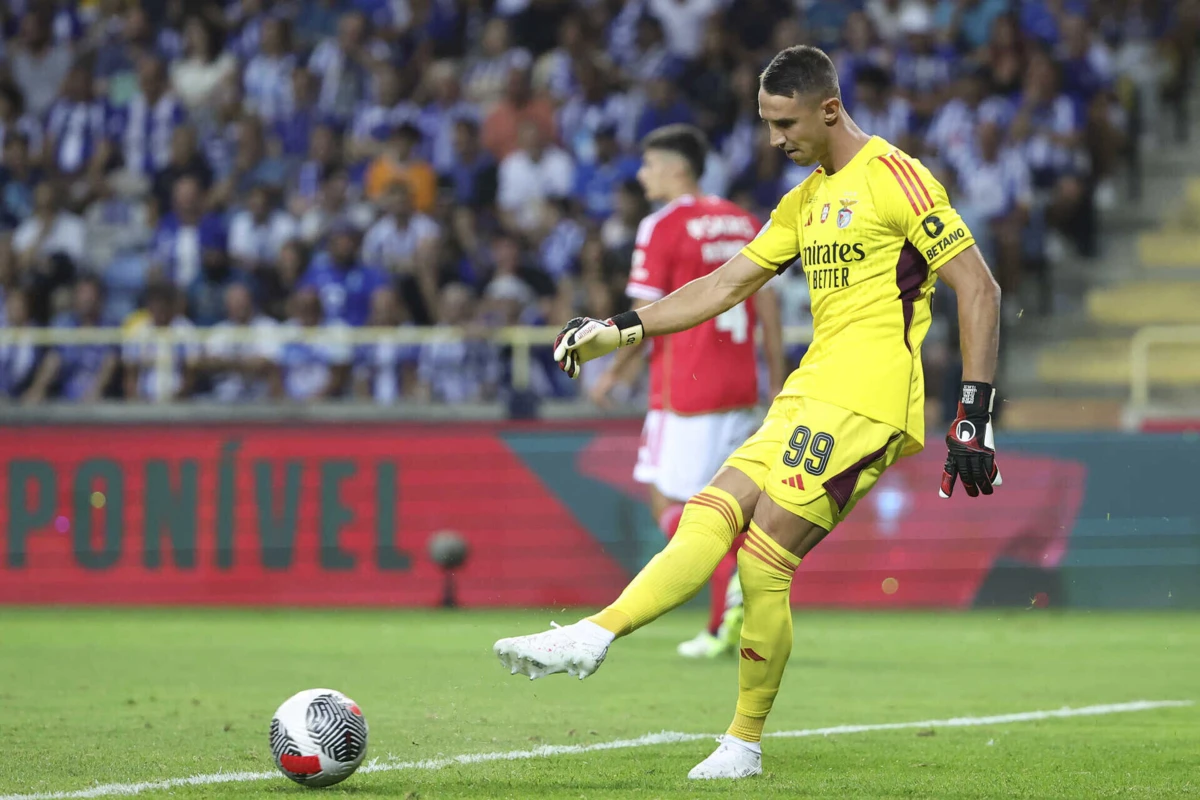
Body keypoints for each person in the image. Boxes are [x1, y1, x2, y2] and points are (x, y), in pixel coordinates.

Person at [493, 45, 1002, 780]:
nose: (774, 139)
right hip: (808, 390)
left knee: (766, 557)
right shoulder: (804, 200)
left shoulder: (895, 177)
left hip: (869, 400)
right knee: (712, 510)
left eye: (784, 122)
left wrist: (973, 416)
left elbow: (979, 287)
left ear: (829, 109)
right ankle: (596, 635)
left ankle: (741, 741)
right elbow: (726, 282)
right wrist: (620, 327)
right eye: (766, 123)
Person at [588, 123, 785, 660]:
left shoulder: (662, 225)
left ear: (677, 168)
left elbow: (645, 316)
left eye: (650, 165)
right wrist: (777, 382)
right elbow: (767, 309)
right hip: (742, 387)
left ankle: (730, 610)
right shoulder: (743, 220)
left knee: (678, 507)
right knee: (723, 506)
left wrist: (615, 372)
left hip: (687, 390)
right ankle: (737, 601)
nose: (642, 175)